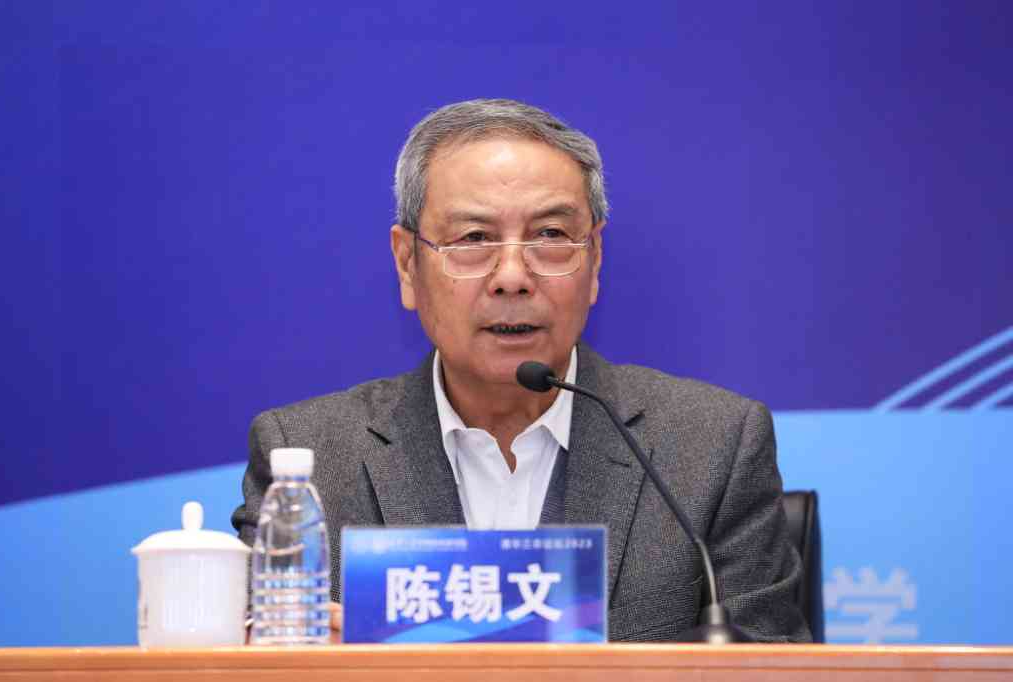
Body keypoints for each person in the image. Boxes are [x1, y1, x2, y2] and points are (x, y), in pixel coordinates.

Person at [232, 98, 811, 642]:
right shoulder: (307, 461)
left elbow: (766, 667)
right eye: (474, 238)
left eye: (550, 235)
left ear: (594, 259)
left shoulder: (713, 447)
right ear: (408, 264)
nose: (512, 276)